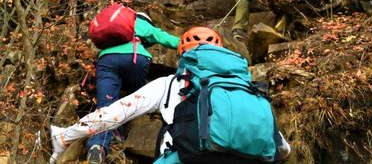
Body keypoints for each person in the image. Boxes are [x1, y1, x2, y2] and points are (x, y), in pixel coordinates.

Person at [49, 27, 290, 164]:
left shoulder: (169, 84)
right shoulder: (245, 86)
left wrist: (66, 136)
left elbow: (113, 115)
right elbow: (283, 148)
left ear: (183, 55)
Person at [85, 11, 180, 164]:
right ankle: (124, 129)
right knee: (135, 97)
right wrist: (191, 43)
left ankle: (98, 145)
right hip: (135, 59)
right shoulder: (141, 24)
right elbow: (164, 38)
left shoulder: (113, 29)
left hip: (107, 60)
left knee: (104, 107)